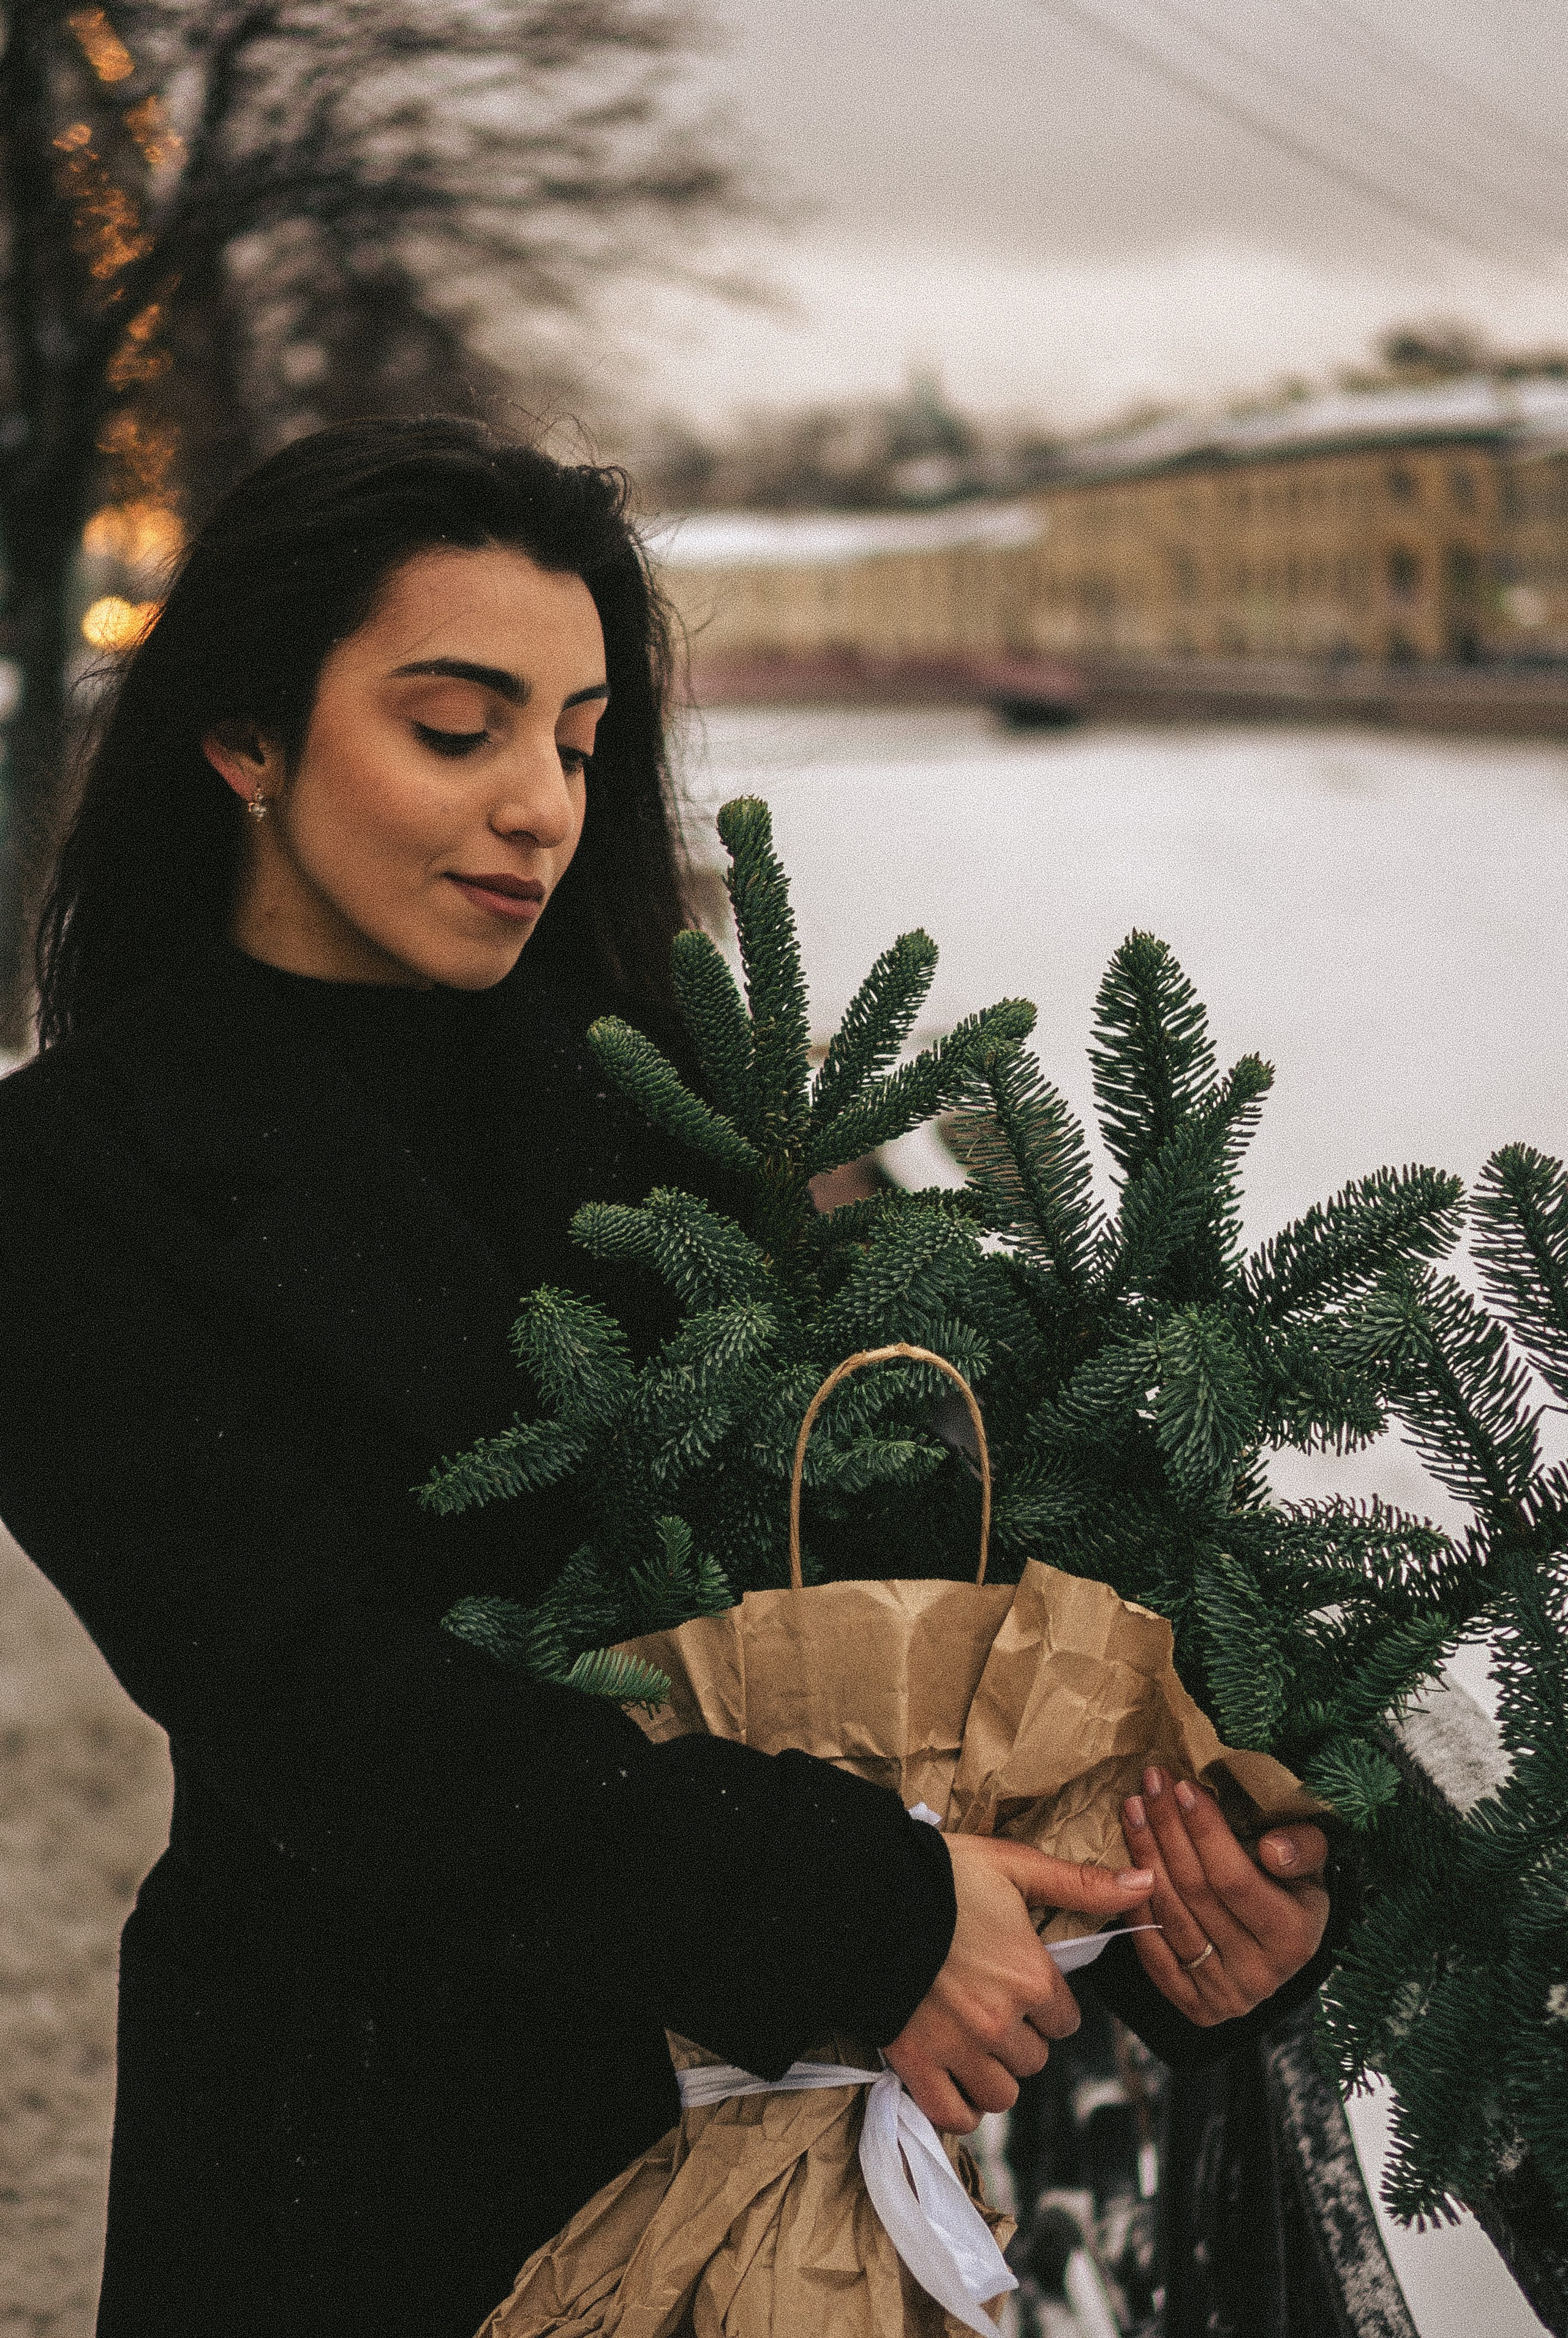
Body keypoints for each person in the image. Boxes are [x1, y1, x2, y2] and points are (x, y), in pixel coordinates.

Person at [0, 420, 1331, 2337]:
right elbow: (318, 1709)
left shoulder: (699, 1103)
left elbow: (948, 1588)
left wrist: (1199, 1915)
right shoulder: (79, 1182)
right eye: (457, 730)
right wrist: (864, 1919)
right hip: (363, 2170)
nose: (541, 802)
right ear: (247, 739)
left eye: (579, 739)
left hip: (817, 2200)